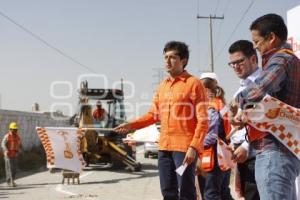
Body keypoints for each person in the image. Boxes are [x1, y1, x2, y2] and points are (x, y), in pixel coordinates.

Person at [114, 41, 209, 200]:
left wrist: (194, 147)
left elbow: (203, 120)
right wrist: (131, 125)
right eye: (165, 57)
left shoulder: (194, 84)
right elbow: (153, 115)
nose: (167, 61)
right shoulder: (162, 86)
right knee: (167, 191)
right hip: (164, 147)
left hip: (184, 149)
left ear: (183, 60)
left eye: (172, 57)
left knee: (186, 192)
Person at [232, 14, 300, 200]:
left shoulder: (281, 59)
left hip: (274, 150)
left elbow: (260, 89)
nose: (255, 47)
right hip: (283, 150)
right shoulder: (290, 60)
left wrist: (238, 101)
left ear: (271, 38)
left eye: (257, 41)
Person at [228, 40, 260, 200]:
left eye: (239, 61)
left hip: (256, 153)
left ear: (253, 59)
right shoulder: (241, 88)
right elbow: (239, 122)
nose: (235, 67)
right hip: (243, 155)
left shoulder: (261, 84)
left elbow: (265, 119)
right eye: (232, 64)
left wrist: (247, 146)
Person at [198, 73, 234, 200]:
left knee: (211, 194)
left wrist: (195, 145)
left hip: (213, 156)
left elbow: (211, 135)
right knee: (224, 193)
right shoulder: (222, 104)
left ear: (205, 89)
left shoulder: (210, 107)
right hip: (224, 154)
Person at [1, 122, 22, 187]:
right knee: (9, 169)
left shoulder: (17, 136)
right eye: (14, 129)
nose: (16, 130)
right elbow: (3, 144)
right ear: (10, 129)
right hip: (8, 155)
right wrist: (6, 150)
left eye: (16, 129)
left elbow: (19, 144)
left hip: (14, 154)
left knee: (14, 169)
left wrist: (20, 149)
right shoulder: (7, 136)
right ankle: (10, 182)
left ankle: (12, 180)